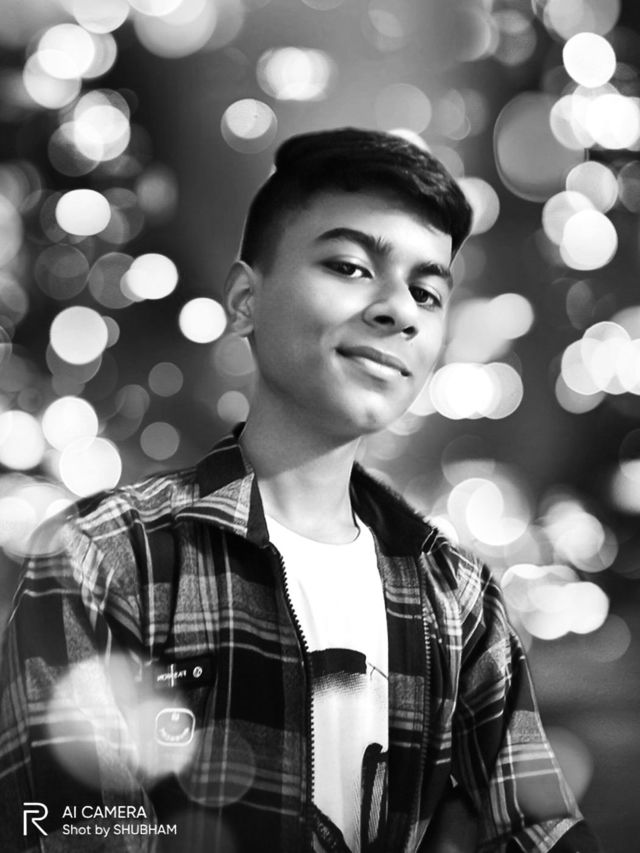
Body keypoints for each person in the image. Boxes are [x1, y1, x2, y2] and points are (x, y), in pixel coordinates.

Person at [0, 128, 601, 853]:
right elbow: (69, 828)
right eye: (350, 267)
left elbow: (539, 829)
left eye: (427, 291)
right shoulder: (105, 560)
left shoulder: (461, 599)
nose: (399, 309)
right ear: (244, 300)